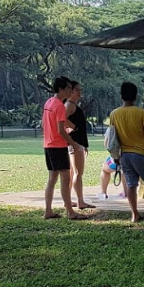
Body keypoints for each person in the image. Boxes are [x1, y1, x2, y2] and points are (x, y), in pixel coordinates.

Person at [110, 82, 144, 223]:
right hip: (141, 153)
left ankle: (134, 214)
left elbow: (113, 138)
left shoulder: (114, 114)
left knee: (131, 184)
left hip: (125, 155)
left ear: (121, 96)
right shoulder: (140, 112)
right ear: (135, 96)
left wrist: (115, 156)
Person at [41, 76, 87, 220]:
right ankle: (70, 211)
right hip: (58, 146)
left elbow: (48, 125)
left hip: (48, 145)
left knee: (52, 179)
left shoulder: (49, 102)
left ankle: (48, 210)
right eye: (68, 88)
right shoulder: (60, 105)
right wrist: (74, 144)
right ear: (61, 89)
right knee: (64, 178)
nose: (70, 90)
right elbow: (61, 130)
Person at [65, 80, 95, 209]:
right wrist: (73, 127)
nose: (79, 92)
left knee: (73, 173)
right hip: (74, 143)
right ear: (70, 91)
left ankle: (70, 200)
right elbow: (62, 119)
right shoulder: (69, 105)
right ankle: (80, 201)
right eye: (77, 90)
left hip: (78, 142)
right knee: (78, 172)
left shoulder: (73, 106)